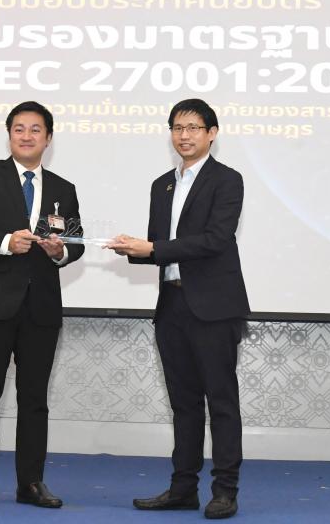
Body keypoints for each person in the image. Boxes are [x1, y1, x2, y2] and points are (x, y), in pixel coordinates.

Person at [106, 98, 250, 520]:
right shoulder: (161, 185)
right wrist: (129, 249)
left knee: (221, 402)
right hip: (171, 304)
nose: (184, 136)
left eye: (193, 128)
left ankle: (225, 490)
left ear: (212, 133)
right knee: (184, 404)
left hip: (214, 306)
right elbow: (159, 248)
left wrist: (152, 247)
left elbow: (215, 240)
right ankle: (183, 488)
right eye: (177, 128)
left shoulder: (227, 180)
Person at [0, 100, 84, 509]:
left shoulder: (63, 188)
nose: (27, 136)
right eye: (19, 129)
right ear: (9, 135)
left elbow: (75, 244)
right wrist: (6, 242)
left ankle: (31, 483)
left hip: (41, 308)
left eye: (35, 129)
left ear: (49, 138)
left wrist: (60, 252)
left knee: (35, 400)